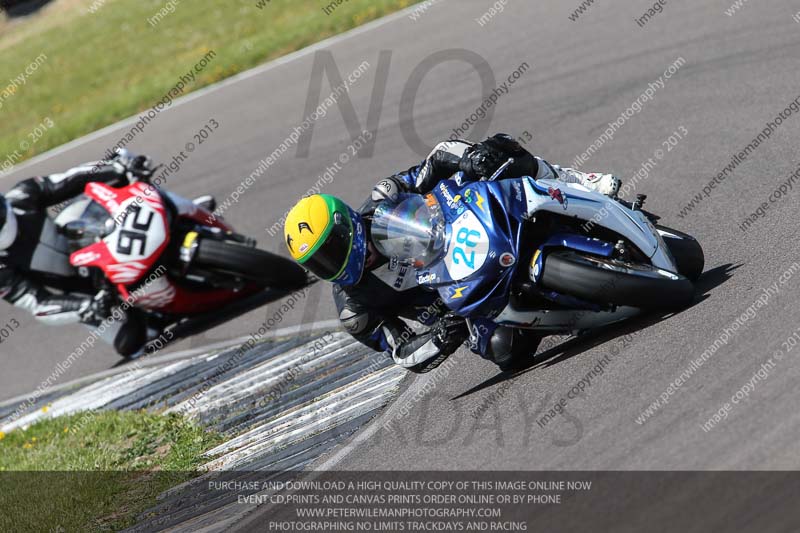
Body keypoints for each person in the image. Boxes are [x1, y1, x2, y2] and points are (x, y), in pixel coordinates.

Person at [284, 134, 621, 372]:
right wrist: (440, 337)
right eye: (320, 263)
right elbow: (402, 352)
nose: (333, 264)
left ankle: (579, 181)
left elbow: (436, 159)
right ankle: (568, 316)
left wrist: (470, 158)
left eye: (331, 249)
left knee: (499, 157)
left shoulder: (384, 201)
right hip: (466, 304)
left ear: (346, 225)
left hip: (475, 231)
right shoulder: (355, 308)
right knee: (505, 351)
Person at [0, 150, 212, 357]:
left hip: (90, 234)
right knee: (130, 342)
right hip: (86, 289)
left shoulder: (23, 194)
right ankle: (154, 310)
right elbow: (39, 305)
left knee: (123, 178)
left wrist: (117, 168)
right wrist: (85, 307)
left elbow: (74, 178)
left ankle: (180, 211)